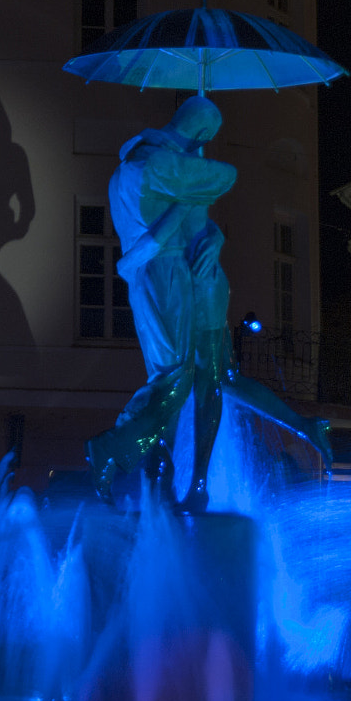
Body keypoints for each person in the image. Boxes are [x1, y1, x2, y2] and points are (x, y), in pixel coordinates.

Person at [85, 96, 237, 511]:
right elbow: (226, 175)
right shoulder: (163, 165)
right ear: (203, 133)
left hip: (144, 276)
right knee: (178, 378)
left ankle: (156, 477)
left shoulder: (126, 168)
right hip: (166, 275)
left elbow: (159, 227)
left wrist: (207, 224)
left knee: (166, 379)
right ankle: (113, 445)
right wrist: (195, 176)